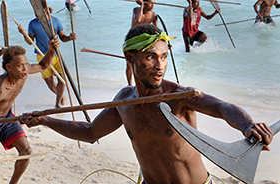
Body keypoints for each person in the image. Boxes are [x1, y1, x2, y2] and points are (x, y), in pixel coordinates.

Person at [19, 24, 273, 184]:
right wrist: (45, 119)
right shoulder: (123, 101)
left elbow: (221, 107)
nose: (160, 65)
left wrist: (248, 125)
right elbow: (90, 133)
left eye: (163, 57)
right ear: (130, 57)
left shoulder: (179, 96)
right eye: (151, 57)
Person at [0, 36, 60, 184]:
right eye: (20, 66)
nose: (25, 69)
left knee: (26, 151)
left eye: (26, 64)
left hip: (7, 117)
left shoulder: (24, 73)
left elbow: (43, 66)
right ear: (8, 67)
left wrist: (51, 50)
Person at [18, 0, 76, 108]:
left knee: (62, 79)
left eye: (37, 12)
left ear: (45, 11)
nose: (35, 14)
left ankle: (57, 103)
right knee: (49, 82)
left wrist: (70, 37)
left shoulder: (56, 21)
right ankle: (62, 96)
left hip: (57, 55)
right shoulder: (33, 23)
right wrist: (23, 33)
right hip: (42, 56)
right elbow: (30, 42)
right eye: (35, 12)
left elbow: (63, 38)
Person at [126, 0, 158, 86]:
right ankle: (129, 84)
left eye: (154, 3)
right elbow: (138, 19)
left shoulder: (153, 15)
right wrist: (142, 5)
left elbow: (157, 30)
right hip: (132, 38)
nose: (152, 6)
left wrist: (166, 42)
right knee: (130, 63)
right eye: (150, 3)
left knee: (143, 62)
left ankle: (143, 82)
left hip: (143, 41)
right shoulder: (136, 10)